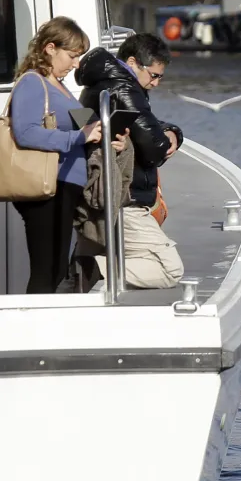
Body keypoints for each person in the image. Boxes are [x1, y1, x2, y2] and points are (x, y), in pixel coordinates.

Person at [9, 16, 126, 294]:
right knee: (46, 268)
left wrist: (108, 139)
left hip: (64, 186)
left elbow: (87, 128)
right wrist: (80, 136)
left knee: (57, 268)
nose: (76, 64)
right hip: (46, 184)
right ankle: (34, 329)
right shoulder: (33, 83)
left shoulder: (62, 91)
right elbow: (26, 133)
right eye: (72, 56)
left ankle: (40, 326)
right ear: (50, 48)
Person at [76, 32, 184, 289]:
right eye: (154, 75)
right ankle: (89, 269)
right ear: (134, 62)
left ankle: (84, 271)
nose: (156, 83)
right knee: (169, 269)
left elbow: (146, 126)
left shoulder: (104, 82)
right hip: (123, 196)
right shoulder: (124, 87)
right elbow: (155, 147)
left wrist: (173, 131)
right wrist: (167, 138)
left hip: (104, 189)